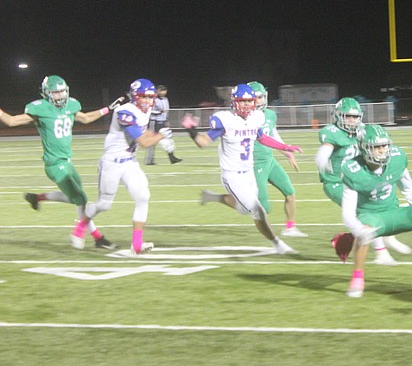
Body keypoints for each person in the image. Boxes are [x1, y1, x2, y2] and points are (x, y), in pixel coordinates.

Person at [0, 75, 124, 249]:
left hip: (67, 161)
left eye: (62, 91)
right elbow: (11, 121)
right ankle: (96, 238)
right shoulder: (40, 109)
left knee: (75, 197)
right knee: (81, 198)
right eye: (56, 92)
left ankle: (37, 197)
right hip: (54, 164)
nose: (60, 96)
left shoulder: (71, 105)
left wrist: (107, 109)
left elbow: (86, 118)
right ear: (47, 94)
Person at [184, 83, 302, 255]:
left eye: (249, 101)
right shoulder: (226, 120)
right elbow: (203, 142)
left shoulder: (256, 118)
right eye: (242, 101)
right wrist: (192, 131)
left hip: (248, 173)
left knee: (243, 209)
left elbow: (262, 138)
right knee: (258, 210)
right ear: (234, 102)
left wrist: (285, 147)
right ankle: (277, 244)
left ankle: (211, 196)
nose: (247, 104)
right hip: (232, 175)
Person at [338, 124, 412, 298]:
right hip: (371, 216)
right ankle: (357, 278)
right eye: (376, 147)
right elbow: (347, 213)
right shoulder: (352, 169)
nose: (382, 151)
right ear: (364, 148)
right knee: (364, 231)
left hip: (394, 212)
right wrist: (359, 231)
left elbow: (408, 187)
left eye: (384, 146)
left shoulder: (397, 157)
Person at [315, 97, 411, 265]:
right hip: (337, 182)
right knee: (366, 210)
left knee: (384, 201)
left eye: (355, 117)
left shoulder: (363, 131)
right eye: (347, 116)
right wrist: (321, 159)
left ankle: (389, 238)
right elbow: (325, 149)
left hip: (359, 178)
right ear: (338, 116)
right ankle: (381, 252)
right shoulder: (332, 132)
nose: (352, 120)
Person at [80, 78, 171, 255]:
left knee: (143, 196)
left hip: (130, 161)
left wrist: (160, 138)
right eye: (143, 97)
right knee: (104, 205)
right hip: (112, 163)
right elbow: (143, 141)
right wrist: (160, 137)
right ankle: (82, 223)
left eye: (150, 97)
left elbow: (144, 132)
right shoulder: (124, 111)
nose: (147, 101)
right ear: (135, 97)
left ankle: (136, 244)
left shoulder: (147, 109)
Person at [145, 84, 181, 165]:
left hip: (163, 122)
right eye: (162, 90)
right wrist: (158, 112)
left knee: (169, 139)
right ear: (157, 91)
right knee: (152, 141)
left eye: (165, 90)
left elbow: (166, 111)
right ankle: (149, 160)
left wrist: (167, 120)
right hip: (154, 122)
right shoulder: (153, 99)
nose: (164, 92)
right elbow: (149, 110)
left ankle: (172, 158)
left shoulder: (165, 99)